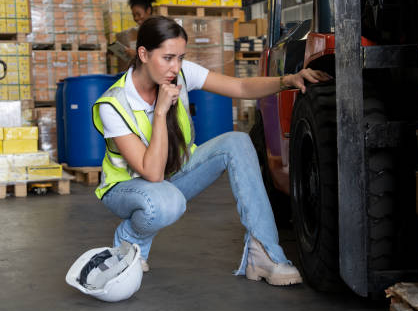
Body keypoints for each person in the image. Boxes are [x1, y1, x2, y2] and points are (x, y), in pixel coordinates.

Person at [92, 16, 331, 286]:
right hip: (128, 188)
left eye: (180, 57)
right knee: (165, 202)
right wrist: (160, 111)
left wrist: (289, 79)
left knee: (238, 142)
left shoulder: (179, 73)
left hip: (172, 174)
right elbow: (152, 173)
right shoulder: (113, 105)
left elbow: (239, 87)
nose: (176, 67)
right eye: (168, 58)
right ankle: (130, 238)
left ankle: (264, 253)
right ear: (143, 54)